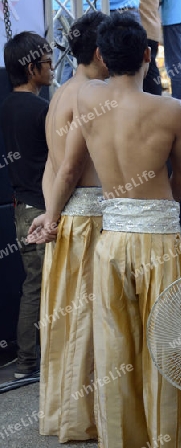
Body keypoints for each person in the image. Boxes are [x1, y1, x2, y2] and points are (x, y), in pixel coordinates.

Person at [57, 13, 181, 447]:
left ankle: (121, 438)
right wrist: (164, 208)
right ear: (148, 56)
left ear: (100, 55)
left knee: (115, 347)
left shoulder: (87, 100)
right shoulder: (170, 110)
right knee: (168, 341)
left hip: (112, 239)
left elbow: (70, 164)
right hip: (157, 237)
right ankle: (168, 436)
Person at [28, 11, 110, 443]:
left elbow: (51, 165)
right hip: (86, 220)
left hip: (66, 217)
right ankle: (89, 415)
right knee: (91, 319)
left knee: (72, 317)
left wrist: (49, 214)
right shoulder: (89, 95)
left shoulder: (60, 93)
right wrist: (53, 215)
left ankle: (73, 412)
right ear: (101, 52)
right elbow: (69, 168)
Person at [0, 32, 54, 379]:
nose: (51, 69)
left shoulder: (6, 106)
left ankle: (27, 361)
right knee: (45, 285)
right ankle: (30, 362)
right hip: (42, 211)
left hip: (22, 209)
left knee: (33, 284)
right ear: (32, 67)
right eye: (47, 63)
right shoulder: (41, 109)